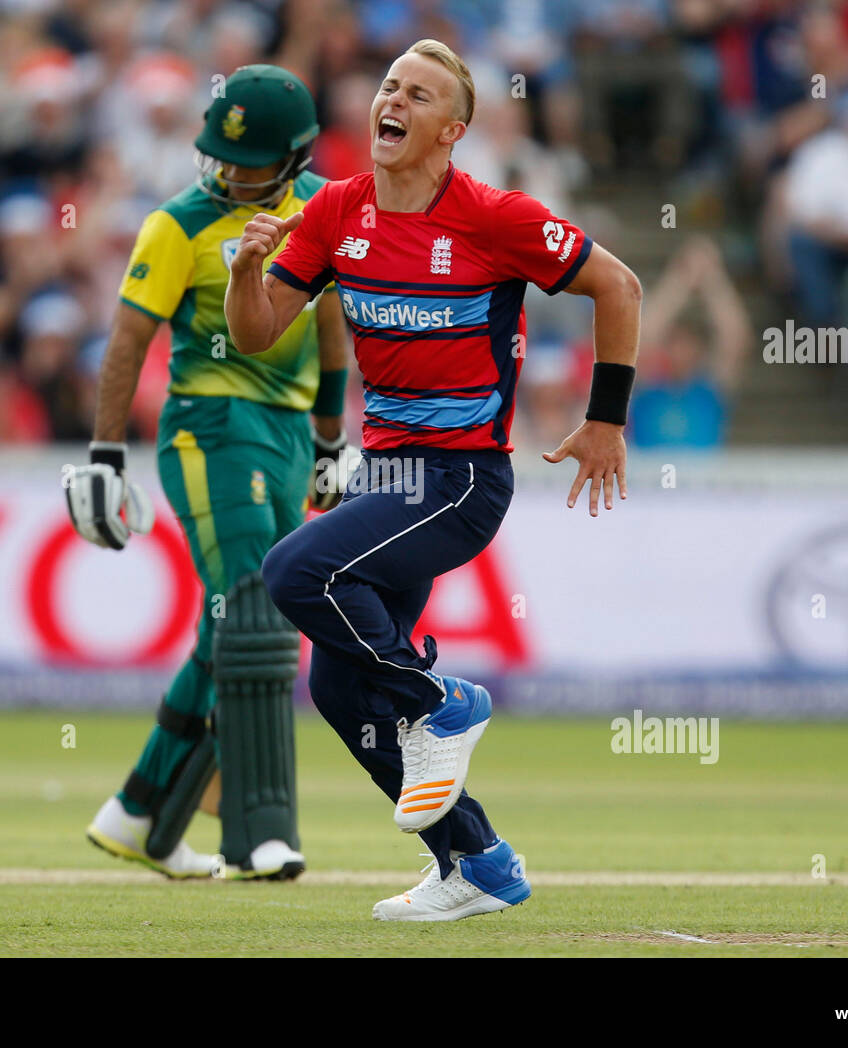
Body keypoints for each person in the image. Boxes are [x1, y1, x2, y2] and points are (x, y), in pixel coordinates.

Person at [225, 40, 642, 920]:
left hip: (458, 482)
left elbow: (620, 285)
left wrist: (606, 418)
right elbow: (258, 334)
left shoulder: (496, 216)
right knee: (337, 684)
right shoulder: (336, 209)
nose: (394, 101)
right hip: (389, 480)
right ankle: (476, 861)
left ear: (452, 130)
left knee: (297, 572)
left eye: (418, 95)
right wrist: (243, 274)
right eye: (388, 87)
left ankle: (441, 701)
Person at [65, 66, 352, 880]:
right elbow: (127, 345)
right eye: (222, 155)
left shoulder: (322, 211)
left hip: (291, 433)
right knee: (256, 608)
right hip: (207, 428)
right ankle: (260, 832)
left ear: (295, 157)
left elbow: (333, 335)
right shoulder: (176, 224)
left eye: (252, 160)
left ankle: (139, 813)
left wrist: (332, 443)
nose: (231, 172)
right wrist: (104, 457)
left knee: (238, 620)